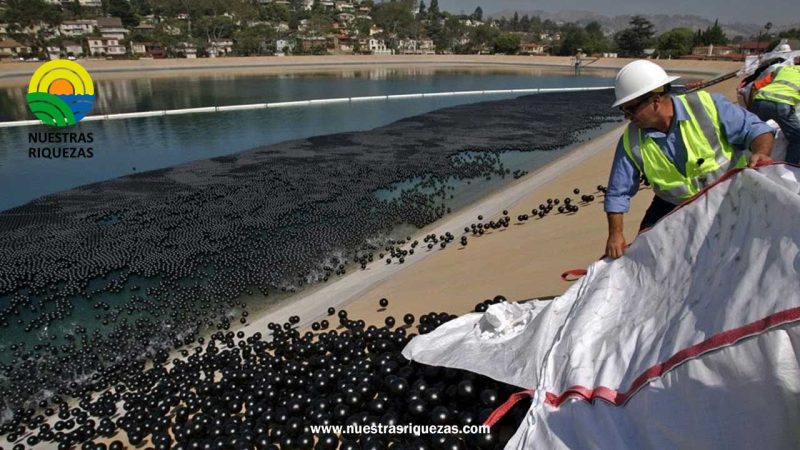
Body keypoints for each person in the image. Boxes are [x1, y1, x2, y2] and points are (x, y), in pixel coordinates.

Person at [604, 60, 775, 259]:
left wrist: (761, 152)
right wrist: (615, 234)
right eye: (623, 110)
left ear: (655, 101)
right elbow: (617, 192)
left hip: (729, 194)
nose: (628, 117)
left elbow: (758, 131)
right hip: (673, 204)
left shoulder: (708, 106)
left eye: (631, 109)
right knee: (646, 252)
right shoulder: (631, 139)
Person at [748, 45, 800, 164]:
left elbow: (755, 86)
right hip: (783, 106)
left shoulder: (782, 69)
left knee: (748, 130)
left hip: (760, 100)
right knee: (797, 139)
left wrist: (749, 111)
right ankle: (789, 167)